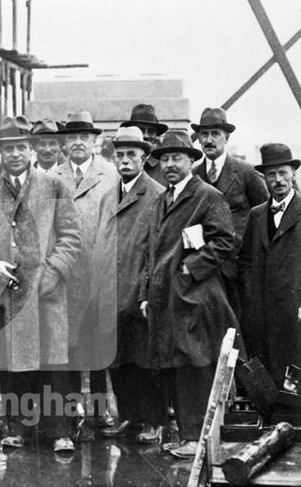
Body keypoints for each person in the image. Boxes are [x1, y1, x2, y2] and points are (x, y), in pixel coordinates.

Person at [0, 117, 82, 453]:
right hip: (8, 290)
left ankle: (59, 430)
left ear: (31, 149)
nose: (14, 154)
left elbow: (71, 237)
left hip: (46, 290)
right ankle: (18, 428)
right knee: (14, 363)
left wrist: (53, 271)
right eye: (7, 148)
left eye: (20, 147)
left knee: (52, 363)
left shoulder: (54, 186)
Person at [140, 130, 236, 459]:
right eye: (164, 159)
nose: (169, 165)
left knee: (194, 366)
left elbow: (224, 241)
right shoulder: (161, 200)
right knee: (174, 366)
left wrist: (189, 269)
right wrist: (145, 292)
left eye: (177, 158)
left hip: (194, 297)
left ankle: (196, 438)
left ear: (191, 162)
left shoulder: (207, 197)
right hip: (165, 299)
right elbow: (149, 250)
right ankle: (186, 435)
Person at [238, 143, 301, 385]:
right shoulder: (256, 215)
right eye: (271, 175)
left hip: (300, 315)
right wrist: (252, 297)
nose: (278, 180)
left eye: (283, 173)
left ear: (294, 174)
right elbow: (244, 262)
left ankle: (300, 422)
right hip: (264, 316)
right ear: (264, 178)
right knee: (266, 381)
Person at [91, 126, 167, 445]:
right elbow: (99, 242)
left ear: (144, 158)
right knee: (118, 359)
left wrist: (147, 291)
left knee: (145, 361)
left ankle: (155, 421)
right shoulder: (109, 196)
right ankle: (130, 417)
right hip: (111, 291)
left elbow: (159, 249)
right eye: (119, 155)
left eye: (131, 155)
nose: (124, 161)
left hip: (139, 291)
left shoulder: (156, 195)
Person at [52, 111, 119, 436]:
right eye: (72, 137)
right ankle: (70, 419)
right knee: (68, 348)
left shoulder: (111, 175)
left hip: (100, 273)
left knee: (99, 345)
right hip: (66, 278)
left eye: (85, 137)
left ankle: (99, 413)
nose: (78, 143)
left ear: (95, 142)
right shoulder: (52, 176)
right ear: (65, 144)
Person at [191, 107, 268, 313]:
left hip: (239, 267)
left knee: (240, 325)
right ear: (198, 139)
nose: (209, 140)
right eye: (204, 134)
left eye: (215, 134)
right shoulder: (194, 175)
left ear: (226, 137)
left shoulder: (245, 172)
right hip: (206, 266)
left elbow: (265, 214)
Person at [123, 104, 169, 186]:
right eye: (140, 130)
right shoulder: (120, 164)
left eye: (151, 131)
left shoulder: (164, 168)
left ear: (156, 134)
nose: (146, 136)